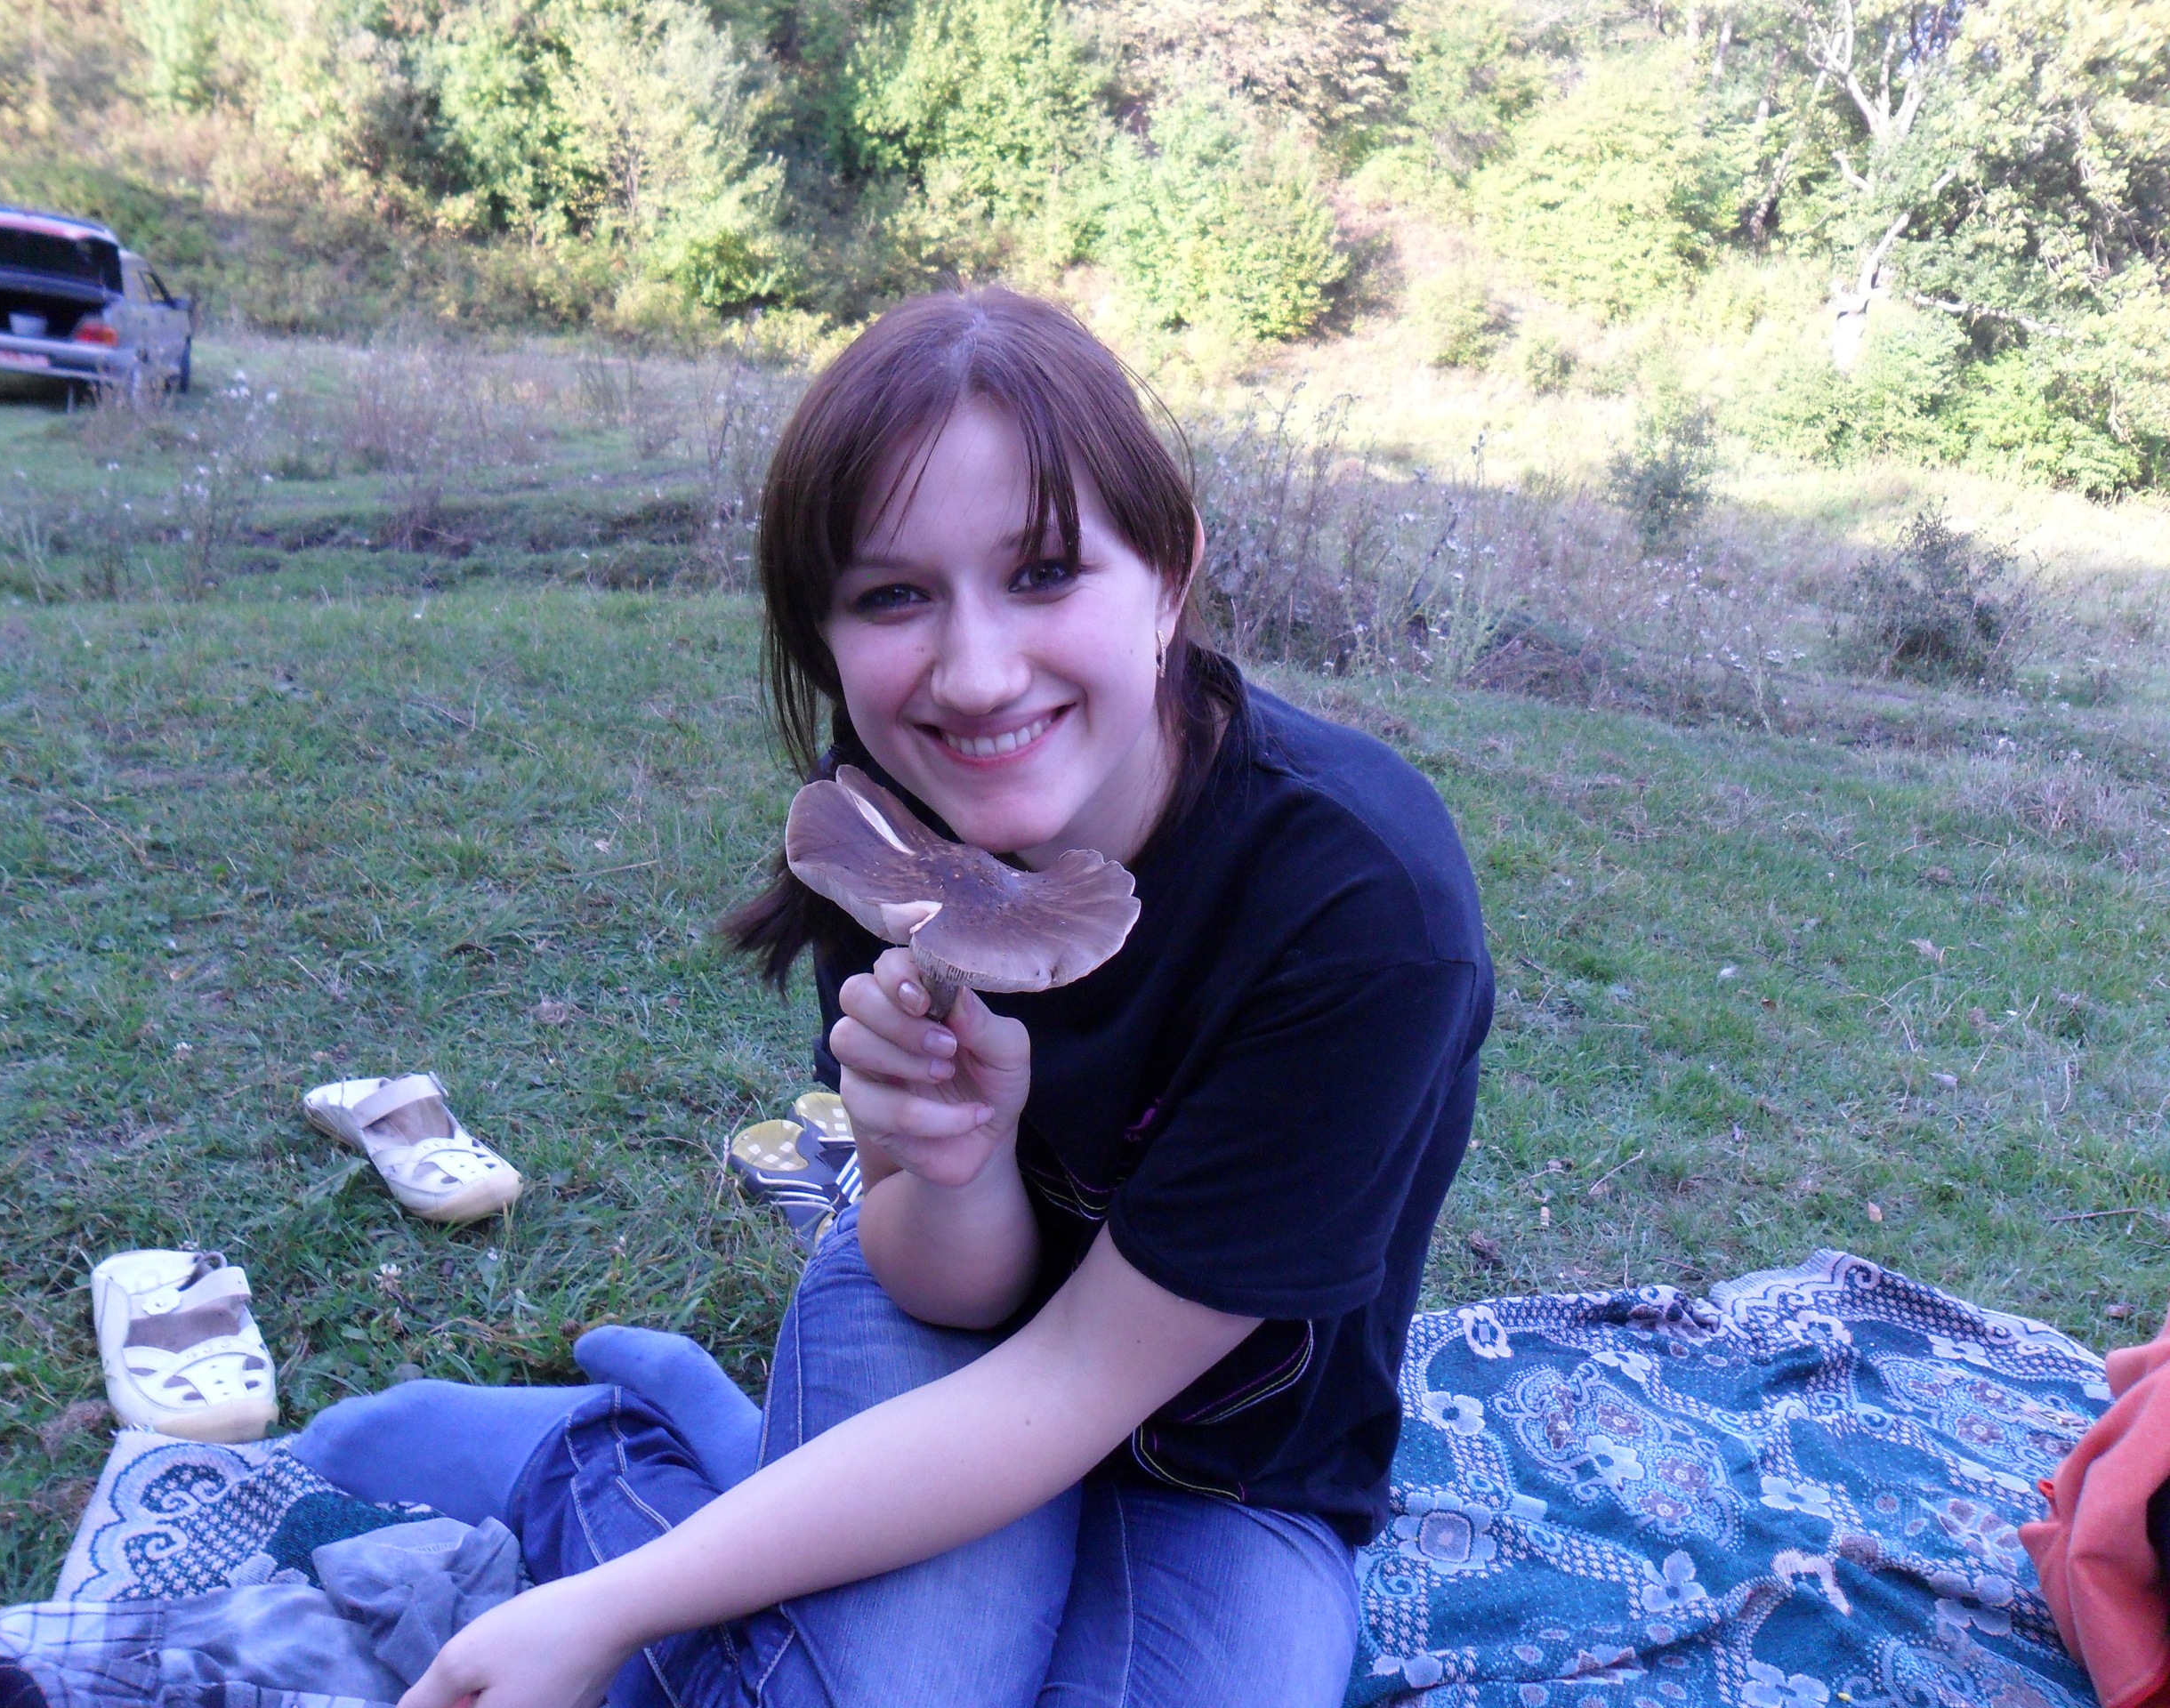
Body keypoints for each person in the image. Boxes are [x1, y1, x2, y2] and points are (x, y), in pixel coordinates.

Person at [298, 287, 1494, 1708]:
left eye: (1045, 571)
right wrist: (956, 1166)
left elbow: (1075, 1383)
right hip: (953, 1337)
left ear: (1170, 572)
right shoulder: (886, 837)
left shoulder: (1356, 912)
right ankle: (591, 1467)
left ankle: (708, 1469)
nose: (976, 676)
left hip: (1225, 1478)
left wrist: (619, 1607)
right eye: (893, 595)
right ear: (823, 630)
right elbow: (947, 1285)